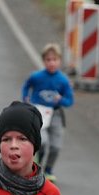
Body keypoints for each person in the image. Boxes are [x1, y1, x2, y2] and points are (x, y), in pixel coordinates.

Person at [21, 43, 74, 182]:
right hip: (39, 112)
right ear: (43, 61)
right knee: (42, 141)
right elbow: (26, 86)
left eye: (55, 60)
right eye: (48, 60)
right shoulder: (37, 76)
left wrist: (61, 100)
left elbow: (69, 101)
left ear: (60, 61)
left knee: (56, 146)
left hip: (55, 114)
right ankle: (37, 166)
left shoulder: (63, 80)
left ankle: (49, 169)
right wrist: (26, 98)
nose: (52, 63)